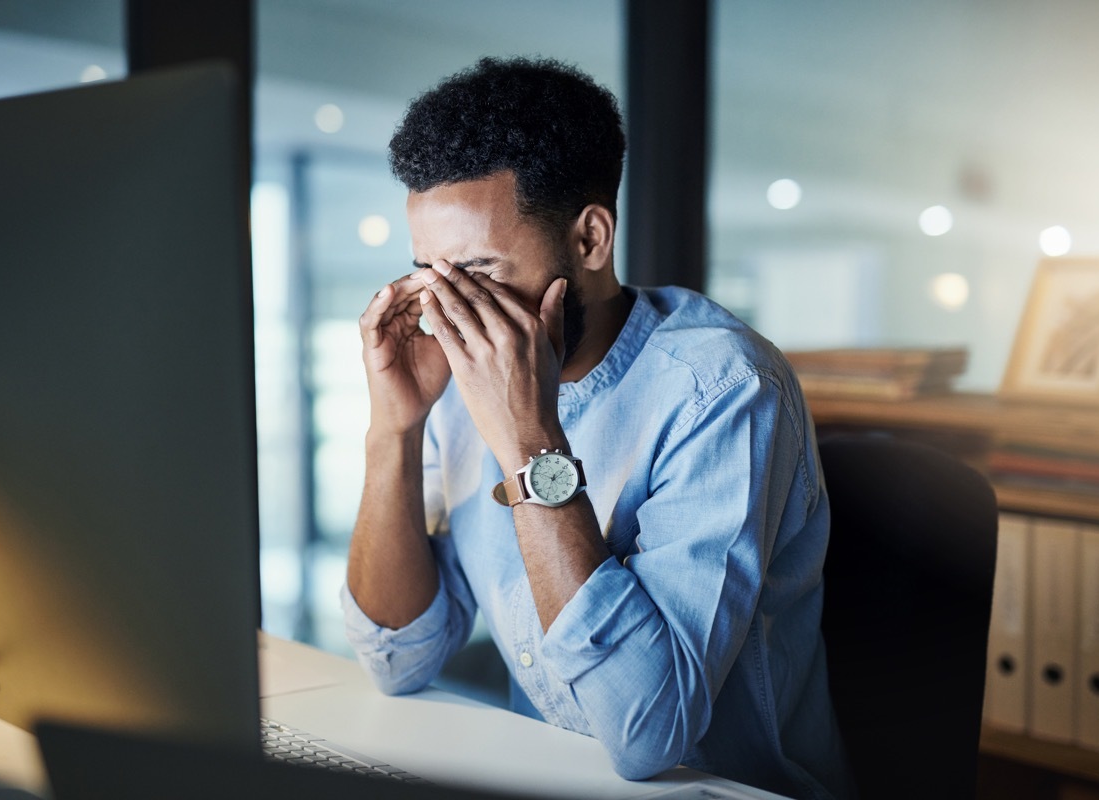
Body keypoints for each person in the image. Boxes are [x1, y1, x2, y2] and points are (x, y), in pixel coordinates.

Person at [341, 56, 853, 800]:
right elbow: (398, 657)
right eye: (430, 273)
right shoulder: (452, 381)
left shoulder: (725, 387)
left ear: (589, 240)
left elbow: (648, 733)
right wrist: (396, 426)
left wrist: (527, 437)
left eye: (479, 273)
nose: (452, 313)